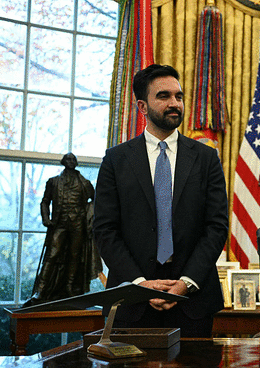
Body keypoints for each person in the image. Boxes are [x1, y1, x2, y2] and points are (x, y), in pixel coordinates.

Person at [93, 64, 228, 337]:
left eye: (178, 96)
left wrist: (186, 283)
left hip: (193, 302)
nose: (174, 103)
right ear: (142, 107)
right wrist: (140, 284)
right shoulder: (116, 160)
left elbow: (216, 227)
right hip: (131, 303)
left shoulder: (206, 158)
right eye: (163, 96)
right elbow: (105, 230)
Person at [27, 153, 101, 305]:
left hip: (78, 224)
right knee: (52, 255)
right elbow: (45, 201)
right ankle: (40, 290)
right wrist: (46, 219)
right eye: (68, 159)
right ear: (63, 162)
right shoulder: (53, 182)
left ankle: (70, 287)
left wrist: (88, 215)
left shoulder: (85, 183)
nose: (71, 161)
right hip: (59, 224)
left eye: (74, 159)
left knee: (75, 256)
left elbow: (96, 201)